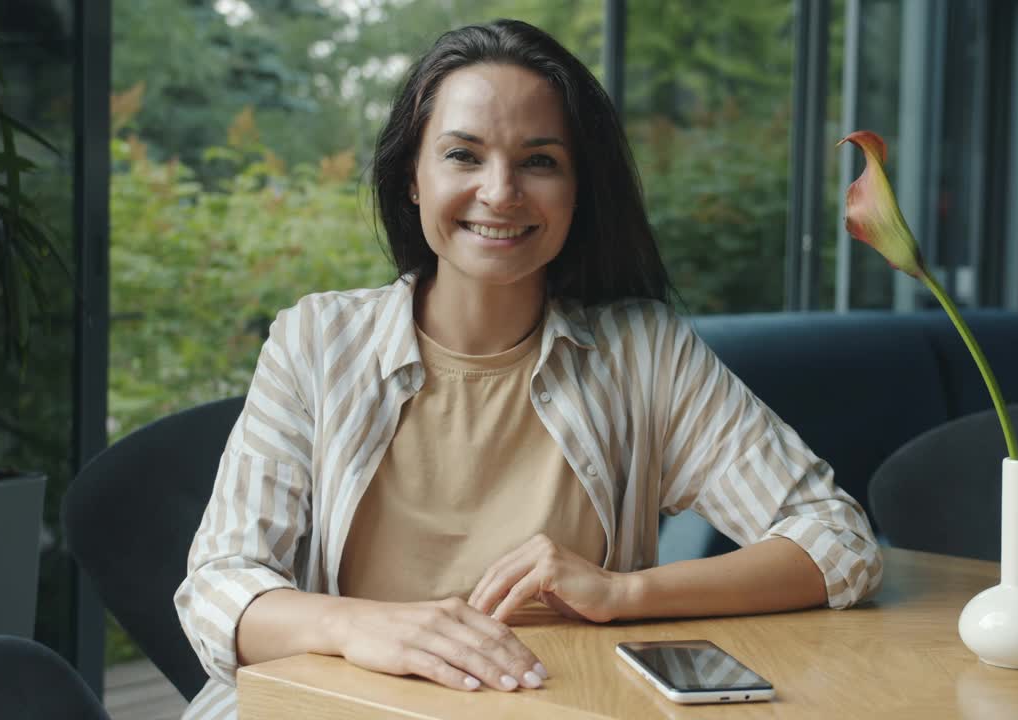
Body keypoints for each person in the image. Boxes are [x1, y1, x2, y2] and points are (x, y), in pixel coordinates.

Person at [173, 18, 881, 719]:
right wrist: (359, 626)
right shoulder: (316, 341)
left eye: (539, 161)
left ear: (578, 189)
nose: (501, 191)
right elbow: (218, 587)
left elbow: (838, 542)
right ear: (412, 178)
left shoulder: (644, 352)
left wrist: (622, 593)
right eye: (463, 155)